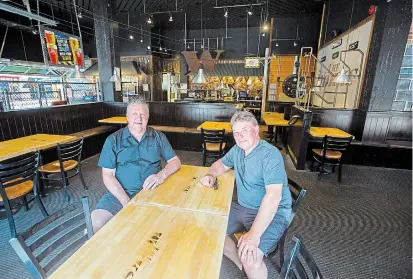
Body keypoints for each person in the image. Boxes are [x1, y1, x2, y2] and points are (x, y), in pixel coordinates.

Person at [200, 111, 292, 279]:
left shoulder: (270, 155)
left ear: (256, 130)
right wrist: (211, 174)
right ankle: (241, 265)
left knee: (251, 256)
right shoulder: (237, 150)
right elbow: (220, 164)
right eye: (236, 132)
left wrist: (254, 234)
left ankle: (248, 265)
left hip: (274, 212)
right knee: (209, 230)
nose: (240, 136)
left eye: (244, 130)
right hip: (243, 207)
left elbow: (273, 198)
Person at [91, 98, 181, 232]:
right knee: (96, 223)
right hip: (120, 192)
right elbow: (108, 176)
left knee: (170, 222)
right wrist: (126, 201)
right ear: (127, 117)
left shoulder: (158, 136)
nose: (139, 118)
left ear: (148, 117)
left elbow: (175, 161)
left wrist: (161, 175)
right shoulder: (113, 140)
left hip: (153, 191)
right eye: (134, 114)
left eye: (143, 114)